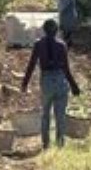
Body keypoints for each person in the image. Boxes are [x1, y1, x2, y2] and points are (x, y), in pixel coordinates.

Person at [20, 18, 81, 150]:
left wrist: (25, 83)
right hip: (60, 80)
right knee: (60, 115)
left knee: (45, 114)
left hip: (46, 81)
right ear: (57, 30)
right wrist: (74, 85)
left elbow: (31, 65)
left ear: (44, 30)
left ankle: (45, 144)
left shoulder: (38, 44)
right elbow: (66, 69)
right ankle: (60, 143)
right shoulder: (61, 45)